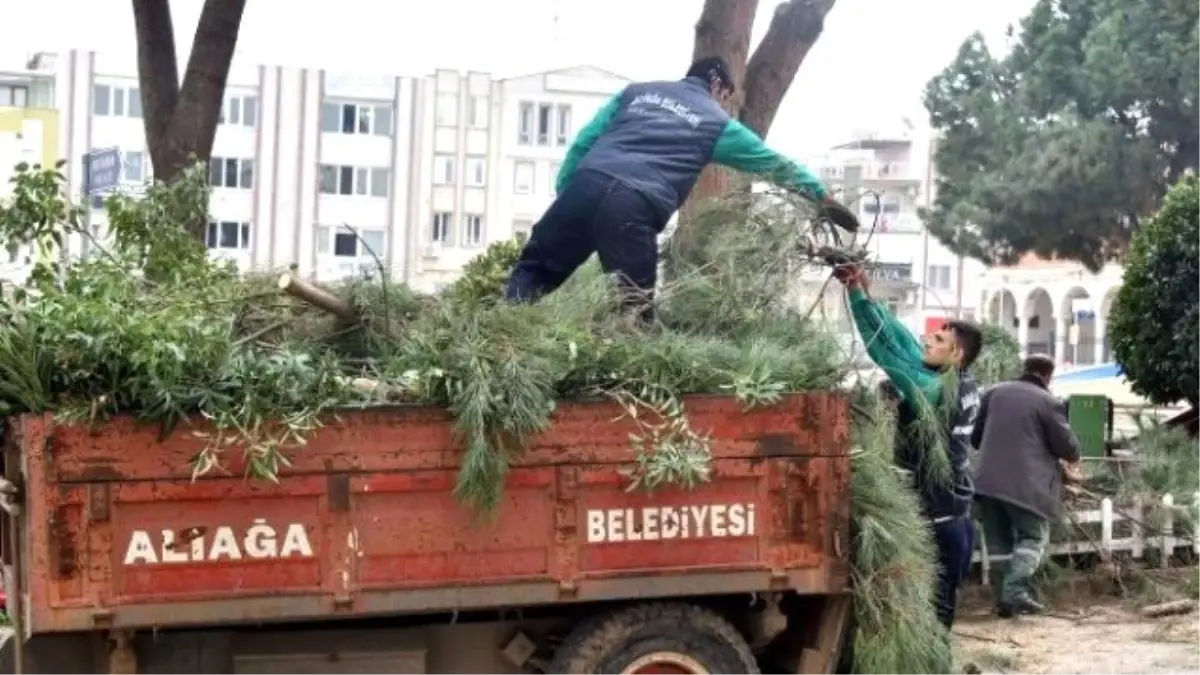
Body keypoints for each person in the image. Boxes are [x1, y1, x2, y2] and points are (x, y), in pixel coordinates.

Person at [504, 56, 860, 318]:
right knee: (633, 310)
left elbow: (584, 142)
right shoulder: (714, 122)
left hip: (586, 184)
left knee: (533, 272)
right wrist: (819, 196)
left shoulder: (634, 94)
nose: (723, 105)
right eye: (726, 98)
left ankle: (496, 337)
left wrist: (568, 194)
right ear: (718, 85)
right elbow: (771, 162)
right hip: (634, 205)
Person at [835, 264, 982, 631]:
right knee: (937, 607)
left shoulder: (934, 391)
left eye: (937, 342)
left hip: (941, 518)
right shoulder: (960, 383)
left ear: (956, 356)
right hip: (954, 512)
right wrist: (864, 293)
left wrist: (857, 296)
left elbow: (888, 352)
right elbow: (900, 339)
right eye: (930, 337)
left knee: (933, 612)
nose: (926, 343)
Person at [971, 354, 1083, 618]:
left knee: (998, 544)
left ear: (1025, 369)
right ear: (1048, 376)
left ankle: (1002, 603)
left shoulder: (993, 393)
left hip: (986, 483)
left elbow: (976, 438)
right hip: (1027, 486)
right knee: (1033, 537)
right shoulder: (1048, 402)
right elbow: (1069, 449)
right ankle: (1014, 591)